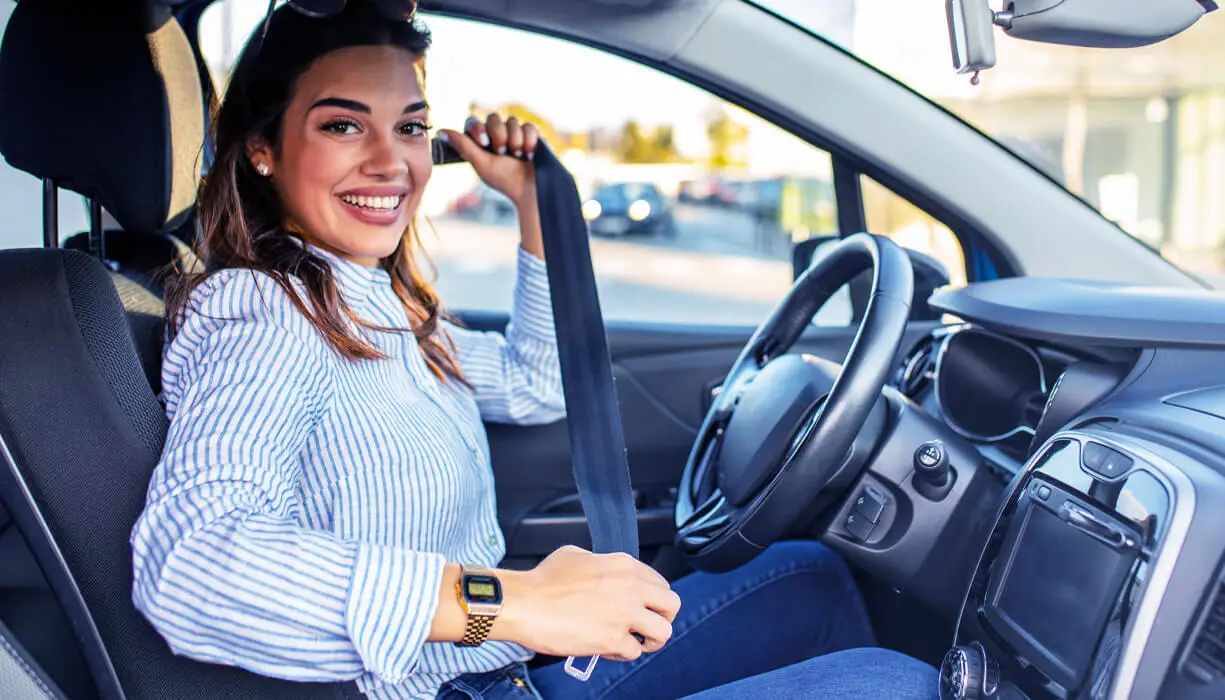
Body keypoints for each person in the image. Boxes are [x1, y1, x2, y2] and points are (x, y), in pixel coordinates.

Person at [129, 2, 939, 699]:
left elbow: (536, 386)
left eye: (410, 127)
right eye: (343, 125)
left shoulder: (370, 300)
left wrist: (528, 204)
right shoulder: (259, 310)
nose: (390, 161)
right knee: (894, 685)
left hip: (502, 673)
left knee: (809, 576)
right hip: (448, 682)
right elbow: (194, 565)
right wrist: (507, 601)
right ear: (264, 150)